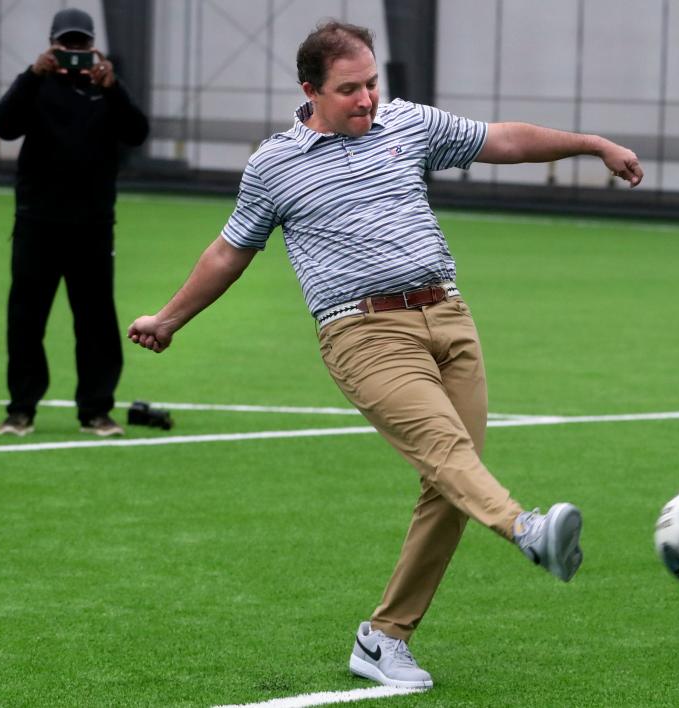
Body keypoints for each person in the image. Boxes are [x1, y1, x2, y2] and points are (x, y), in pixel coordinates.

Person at [128, 21, 643, 690]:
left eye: (372, 82)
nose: (367, 98)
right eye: (350, 90)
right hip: (362, 335)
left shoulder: (408, 124)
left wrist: (594, 144)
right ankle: (528, 530)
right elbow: (230, 251)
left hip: (450, 319)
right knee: (449, 455)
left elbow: (504, 139)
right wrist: (169, 320)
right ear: (310, 90)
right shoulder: (274, 163)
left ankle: (383, 638)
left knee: (451, 483)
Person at [0, 7, 149, 438]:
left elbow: (137, 133)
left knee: (96, 321)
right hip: (36, 224)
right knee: (26, 319)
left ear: (94, 46)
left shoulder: (105, 89)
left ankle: (96, 411)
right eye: (67, 44)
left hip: (92, 227)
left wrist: (113, 87)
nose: (74, 52)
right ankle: (20, 410)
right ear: (52, 45)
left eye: (82, 44)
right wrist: (31, 74)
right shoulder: (36, 85)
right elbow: (4, 126)